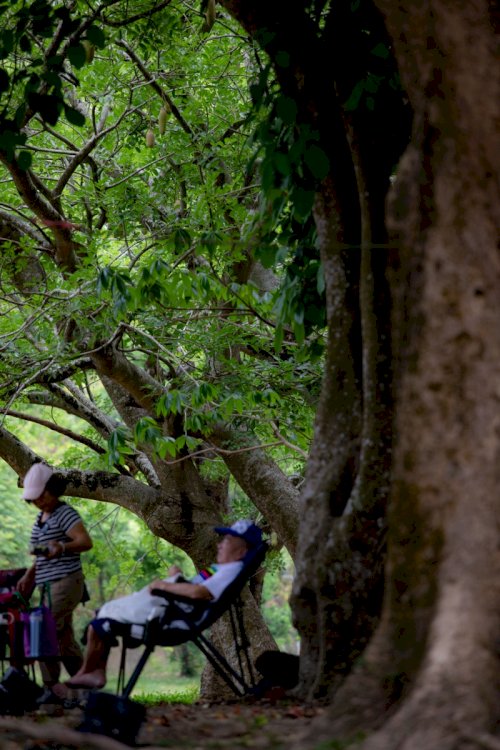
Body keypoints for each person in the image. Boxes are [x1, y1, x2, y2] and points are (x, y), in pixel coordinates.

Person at [61, 519, 263, 691]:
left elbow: (199, 593)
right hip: (173, 608)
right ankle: (91, 672)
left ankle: (90, 672)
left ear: (241, 552)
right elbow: (196, 586)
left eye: (227, 541)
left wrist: (164, 586)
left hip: (171, 620)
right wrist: (178, 578)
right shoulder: (220, 569)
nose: (219, 545)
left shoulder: (230, 571)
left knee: (103, 619)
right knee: (102, 616)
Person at [16, 462, 93, 695]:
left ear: (53, 489)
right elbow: (40, 554)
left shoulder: (64, 513)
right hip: (48, 585)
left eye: (42, 495)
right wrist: (29, 575)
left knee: (43, 628)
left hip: (66, 581)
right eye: (34, 498)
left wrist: (62, 547)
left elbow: (85, 542)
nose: (38, 501)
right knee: (63, 637)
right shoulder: (41, 517)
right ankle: (85, 686)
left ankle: (51, 688)